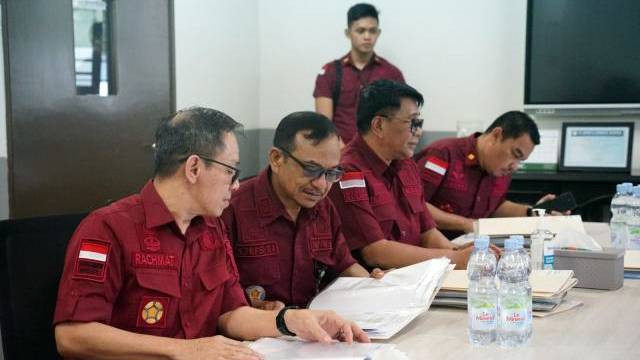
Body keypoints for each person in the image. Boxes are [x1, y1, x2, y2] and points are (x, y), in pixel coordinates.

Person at [53, 107, 369, 360]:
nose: (235, 185)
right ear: (194, 168)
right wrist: (184, 350)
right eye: (231, 171)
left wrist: (292, 321)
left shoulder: (210, 227)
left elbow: (231, 313)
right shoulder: (108, 228)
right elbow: (72, 337)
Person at [222, 111, 383, 310]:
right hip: (254, 333)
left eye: (331, 173)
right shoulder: (232, 209)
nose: (321, 185)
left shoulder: (324, 208)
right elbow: (219, 296)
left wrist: (373, 284)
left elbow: (343, 265)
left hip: (314, 331)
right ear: (276, 159)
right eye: (310, 169)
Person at [328, 80, 474, 270]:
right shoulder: (349, 172)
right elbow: (376, 252)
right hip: (376, 283)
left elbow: (428, 232)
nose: (419, 132)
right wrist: (454, 259)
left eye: (419, 123)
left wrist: (460, 253)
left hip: (417, 275)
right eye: (412, 123)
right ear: (379, 125)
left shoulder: (406, 164)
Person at [414, 111, 562, 239]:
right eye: (515, 154)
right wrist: (467, 224)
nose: (514, 166)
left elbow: (495, 206)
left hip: (473, 246)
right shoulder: (443, 154)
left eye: (520, 161)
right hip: (432, 248)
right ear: (496, 135)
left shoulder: (499, 169)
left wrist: (533, 212)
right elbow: (414, 205)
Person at [314, 3, 404, 145]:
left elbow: (400, 119)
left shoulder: (392, 73)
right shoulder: (330, 72)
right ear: (348, 33)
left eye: (372, 31)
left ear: (378, 33)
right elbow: (324, 124)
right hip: (339, 154)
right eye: (360, 31)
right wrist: (344, 153)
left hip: (380, 154)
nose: (367, 37)